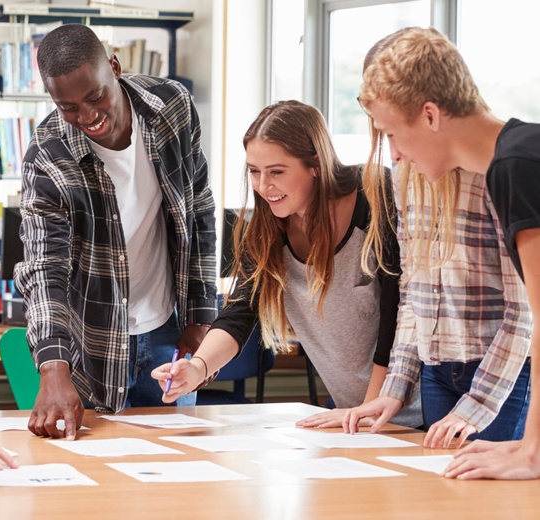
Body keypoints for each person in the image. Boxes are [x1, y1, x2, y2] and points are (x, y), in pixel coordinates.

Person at [151, 100, 422, 429]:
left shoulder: (374, 197)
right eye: (254, 171)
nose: (264, 187)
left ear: (315, 165)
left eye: (276, 172)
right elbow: (239, 313)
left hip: (415, 409)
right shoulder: (268, 232)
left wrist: (368, 409)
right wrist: (198, 368)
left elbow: (398, 313)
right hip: (354, 415)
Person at [14, 24, 217, 441]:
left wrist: (200, 317)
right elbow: (44, 269)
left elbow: (199, 212)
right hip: (92, 345)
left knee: (174, 477)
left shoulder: (172, 106)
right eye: (68, 107)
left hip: (168, 334)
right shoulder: (48, 157)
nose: (87, 117)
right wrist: (53, 367)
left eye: (95, 96)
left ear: (114, 67)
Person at [343, 27, 532, 459]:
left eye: (391, 134)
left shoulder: (510, 169)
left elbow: (527, 314)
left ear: (429, 115)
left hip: (500, 370)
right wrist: (395, 386)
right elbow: (413, 292)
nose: (392, 154)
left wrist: (481, 408)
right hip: (436, 369)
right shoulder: (411, 177)